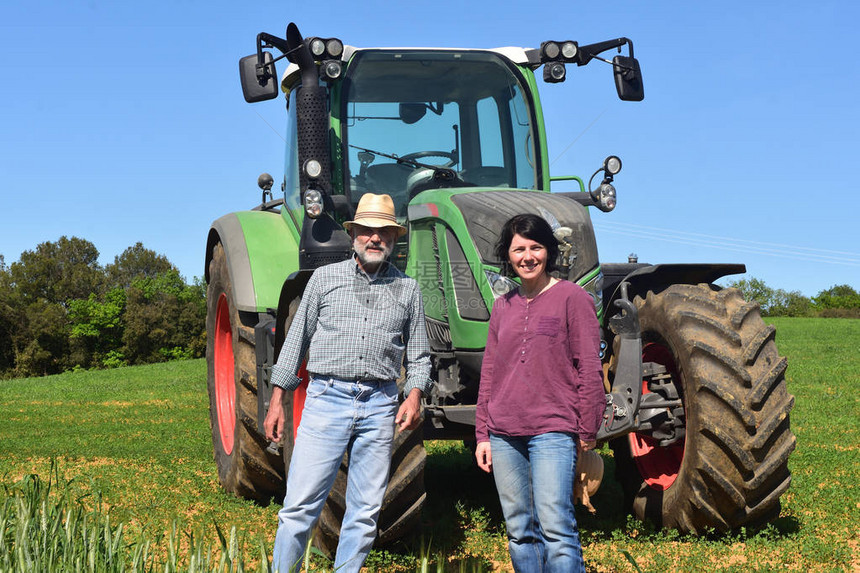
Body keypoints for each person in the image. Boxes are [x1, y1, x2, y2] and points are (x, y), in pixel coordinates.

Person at [264, 193, 432, 573]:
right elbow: (296, 343)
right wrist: (277, 401)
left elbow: (420, 356)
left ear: (393, 239)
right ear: (354, 234)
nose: (376, 239)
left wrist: (415, 393)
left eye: (384, 233)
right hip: (327, 399)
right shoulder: (324, 280)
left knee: (364, 513)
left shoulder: (408, 290)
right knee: (300, 507)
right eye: (368, 231)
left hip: (380, 404)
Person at [474, 213, 605, 573]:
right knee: (518, 530)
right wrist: (483, 433)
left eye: (536, 247)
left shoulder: (572, 298)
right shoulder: (503, 306)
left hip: (552, 429)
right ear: (508, 255)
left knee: (555, 527)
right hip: (503, 433)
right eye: (519, 249)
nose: (528, 256)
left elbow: (589, 367)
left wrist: (587, 430)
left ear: (548, 252)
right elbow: (491, 372)